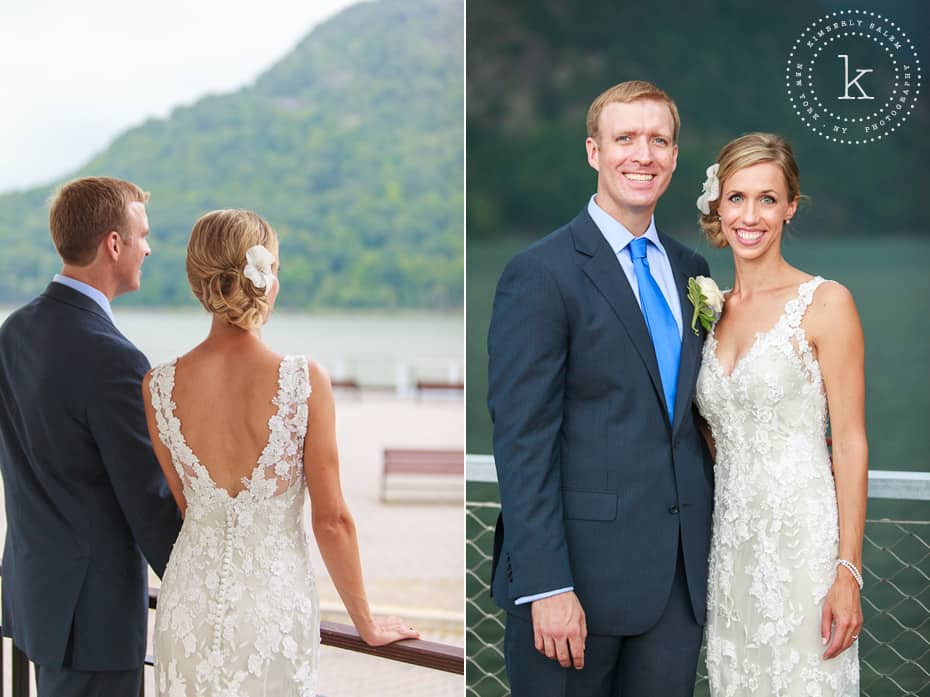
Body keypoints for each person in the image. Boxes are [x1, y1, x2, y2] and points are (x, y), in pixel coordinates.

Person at [487, 80, 714, 696]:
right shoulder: (539, 274)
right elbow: (522, 439)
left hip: (677, 586)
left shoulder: (694, 270)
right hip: (575, 587)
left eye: (658, 140)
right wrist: (547, 585)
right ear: (594, 151)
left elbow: (690, 414)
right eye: (625, 138)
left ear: (674, 155)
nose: (643, 154)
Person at [142, 209, 419, 696]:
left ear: (198, 281)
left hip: (186, 605)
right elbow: (331, 520)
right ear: (266, 279)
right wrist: (366, 622)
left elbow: (191, 509)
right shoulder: (302, 380)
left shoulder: (158, 386)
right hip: (271, 607)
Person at [693, 132, 866, 694]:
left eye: (768, 199)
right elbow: (715, 434)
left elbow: (851, 441)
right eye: (737, 197)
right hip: (730, 554)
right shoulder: (711, 311)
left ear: (790, 206)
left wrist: (848, 571)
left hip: (804, 555)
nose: (751, 215)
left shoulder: (826, 303)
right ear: (717, 204)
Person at [0, 177, 183, 696]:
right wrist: (203, 584)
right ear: (114, 244)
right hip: (94, 621)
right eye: (142, 234)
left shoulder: (15, 331)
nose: (149, 247)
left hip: (37, 598)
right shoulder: (114, 358)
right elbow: (147, 499)